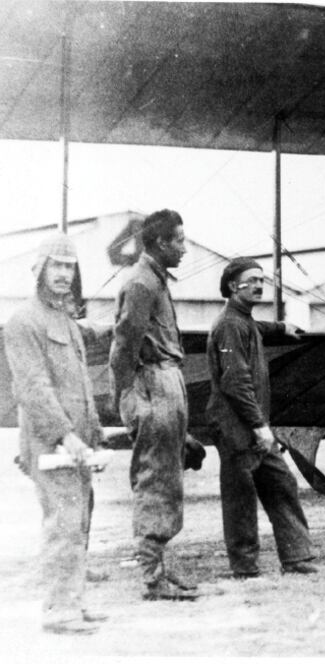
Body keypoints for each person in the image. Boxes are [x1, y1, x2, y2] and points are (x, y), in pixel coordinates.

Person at [3, 234, 110, 634]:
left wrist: (93, 434)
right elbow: (31, 388)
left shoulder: (66, 321)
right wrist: (66, 435)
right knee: (63, 523)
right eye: (57, 265)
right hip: (52, 443)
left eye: (70, 266)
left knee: (79, 521)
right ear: (39, 269)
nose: (64, 274)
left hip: (76, 443)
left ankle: (73, 602)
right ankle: (58, 609)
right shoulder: (23, 322)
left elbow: (83, 385)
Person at [206, 257, 317, 578]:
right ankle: (244, 567)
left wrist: (281, 327)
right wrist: (259, 426)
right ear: (231, 286)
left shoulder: (242, 321)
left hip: (252, 427)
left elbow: (255, 328)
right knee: (240, 497)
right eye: (251, 280)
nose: (258, 285)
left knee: (281, 483)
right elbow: (235, 382)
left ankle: (297, 558)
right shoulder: (229, 324)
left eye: (261, 280)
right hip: (236, 427)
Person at [109, 209, 199, 600]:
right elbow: (123, 347)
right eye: (178, 240)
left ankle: (159, 563)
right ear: (160, 243)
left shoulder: (156, 280)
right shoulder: (143, 283)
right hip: (152, 384)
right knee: (155, 479)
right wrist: (128, 400)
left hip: (166, 382)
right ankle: (151, 577)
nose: (183, 247)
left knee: (168, 477)